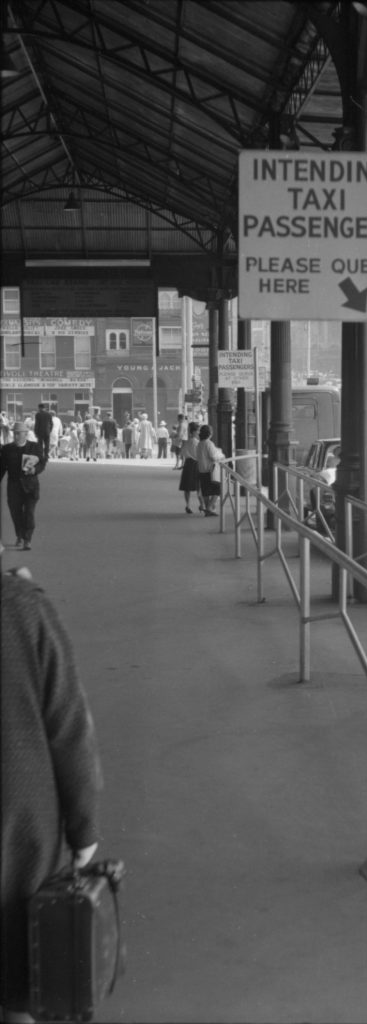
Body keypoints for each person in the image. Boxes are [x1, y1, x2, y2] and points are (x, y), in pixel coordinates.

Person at [0, 556, 103, 1022]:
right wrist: (84, 831)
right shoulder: (23, 609)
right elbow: (69, 729)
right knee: (19, 973)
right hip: (18, 835)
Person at [0, 422, 47, 550]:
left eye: (18, 433)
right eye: (14, 433)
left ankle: (27, 539)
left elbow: (42, 463)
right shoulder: (6, 449)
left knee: (29, 513)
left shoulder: (35, 447)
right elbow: (2, 467)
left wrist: (35, 470)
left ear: (26, 434)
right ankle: (19, 535)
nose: (15, 436)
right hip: (14, 486)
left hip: (30, 486)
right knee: (16, 513)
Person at [196, 424, 226, 516]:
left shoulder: (199, 444)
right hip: (210, 471)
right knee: (217, 490)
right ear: (209, 434)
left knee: (205, 491)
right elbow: (213, 457)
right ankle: (209, 508)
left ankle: (207, 509)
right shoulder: (209, 443)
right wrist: (222, 455)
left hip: (201, 470)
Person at [178, 421, 202, 513]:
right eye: (198, 431)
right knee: (199, 486)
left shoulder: (187, 442)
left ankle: (188, 505)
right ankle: (201, 505)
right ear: (194, 432)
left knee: (187, 487)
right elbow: (199, 455)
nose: (199, 432)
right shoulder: (197, 443)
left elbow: (182, 454)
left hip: (188, 464)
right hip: (196, 464)